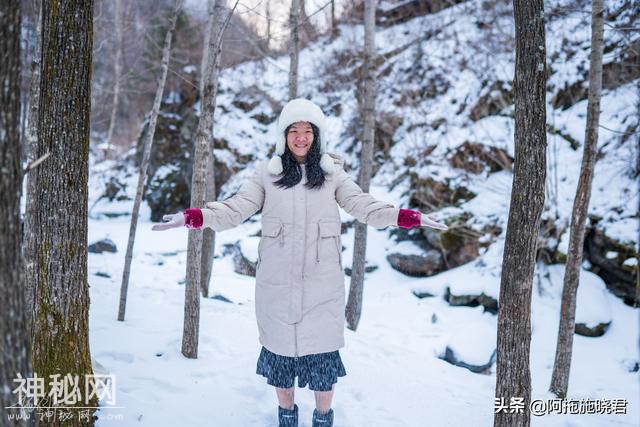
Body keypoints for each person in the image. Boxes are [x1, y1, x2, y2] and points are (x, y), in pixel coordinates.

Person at [152, 98, 448, 427]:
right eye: (294, 130)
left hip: (323, 286)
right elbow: (235, 208)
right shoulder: (266, 175)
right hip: (277, 286)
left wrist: (408, 216)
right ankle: (287, 416)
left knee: (323, 362)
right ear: (284, 136)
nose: (301, 137)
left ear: (317, 136)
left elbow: (364, 206)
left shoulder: (333, 175)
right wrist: (195, 217)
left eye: (308, 130)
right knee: (279, 360)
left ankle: (323, 417)